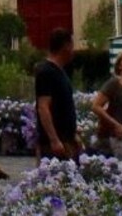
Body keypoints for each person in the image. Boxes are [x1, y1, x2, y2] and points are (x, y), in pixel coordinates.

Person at [34, 28, 80, 161]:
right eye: (72, 45)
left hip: (67, 138)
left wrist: (74, 133)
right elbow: (43, 107)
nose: (73, 50)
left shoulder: (61, 72)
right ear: (66, 46)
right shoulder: (46, 72)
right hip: (56, 142)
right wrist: (54, 139)